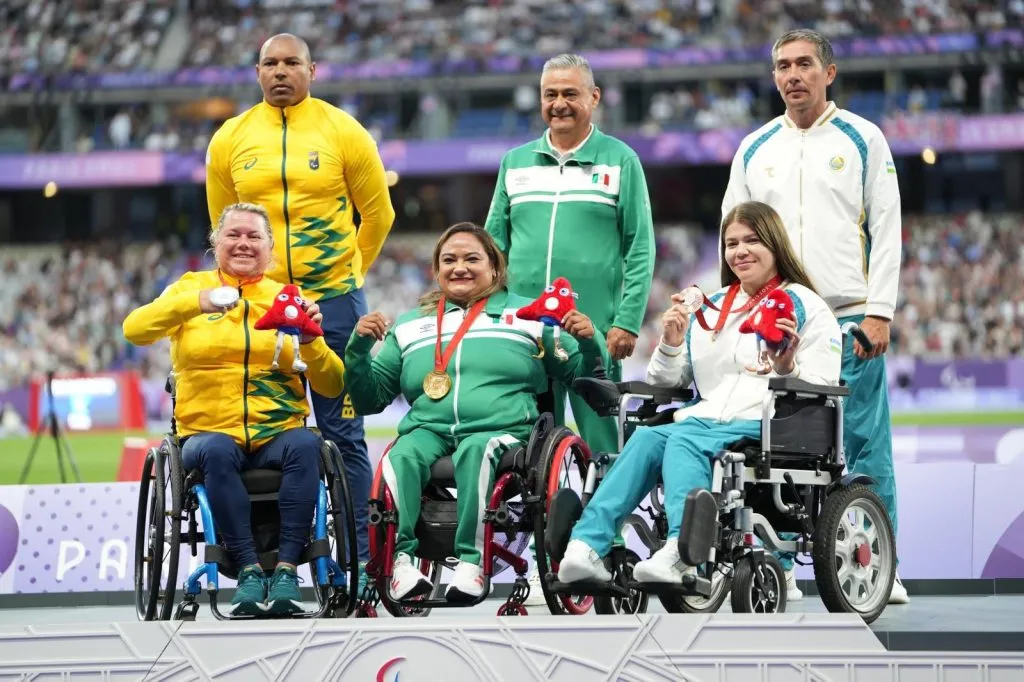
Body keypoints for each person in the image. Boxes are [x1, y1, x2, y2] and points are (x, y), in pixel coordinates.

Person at [558, 201, 842, 587]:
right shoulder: (715, 306)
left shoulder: (808, 305)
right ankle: (584, 547)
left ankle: (680, 552)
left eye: (752, 241)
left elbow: (823, 385)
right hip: (708, 418)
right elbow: (666, 381)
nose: (739, 251)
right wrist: (672, 343)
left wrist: (786, 366)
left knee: (684, 442)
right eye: (731, 243)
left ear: (775, 245)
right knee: (645, 439)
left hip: (771, 422)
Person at [720, 29, 907, 604]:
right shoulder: (754, 147)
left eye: (804, 64)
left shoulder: (862, 137)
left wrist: (880, 311)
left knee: (865, 443)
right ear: (773, 76)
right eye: (782, 65)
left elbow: (888, 225)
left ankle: (879, 565)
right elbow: (733, 234)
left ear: (829, 72)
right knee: (771, 447)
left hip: (850, 318)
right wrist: (732, 315)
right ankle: (774, 565)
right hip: (775, 319)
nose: (792, 75)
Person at [205, 33, 396, 586]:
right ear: (256, 71)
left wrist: (348, 276)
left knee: (346, 434)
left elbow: (377, 215)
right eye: (270, 63)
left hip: (332, 304)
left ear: (313, 69)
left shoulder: (343, 130)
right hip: (259, 307)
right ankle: (268, 563)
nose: (281, 71)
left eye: (292, 62)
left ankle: (359, 559)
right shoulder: (231, 138)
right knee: (266, 432)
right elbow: (226, 228)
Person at [344, 223, 606, 602]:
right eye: (448, 260)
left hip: (502, 429)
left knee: (475, 450)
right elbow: (371, 399)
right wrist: (356, 352)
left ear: (495, 268)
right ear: (436, 270)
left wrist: (589, 341)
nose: (459, 267)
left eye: (472, 259)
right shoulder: (410, 325)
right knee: (401, 454)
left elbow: (579, 375)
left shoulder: (529, 316)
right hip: (428, 430)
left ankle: (472, 563)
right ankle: (402, 561)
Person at [484, 53, 655, 603]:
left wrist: (625, 320)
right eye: (550, 94)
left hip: (593, 336)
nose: (559, 104)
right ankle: (539, 562)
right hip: (525, 338)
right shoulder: (515, 162)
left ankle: (600, 552)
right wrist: (494, 316)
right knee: (533, 454)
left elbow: (639, 246)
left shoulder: (621, 161)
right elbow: (493, 248)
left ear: (594, 98)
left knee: (603, 451)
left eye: (570, 94)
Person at [123, 203, 344, 616]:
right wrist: (196, 302)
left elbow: (331, 383)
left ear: (270, 247)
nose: (243, 243)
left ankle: (284, 570)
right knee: (217, 451)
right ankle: (246, 568)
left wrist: (312, 340)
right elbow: (134, 329)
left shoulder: (287, 299)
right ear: (216, 242)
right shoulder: (188, 289)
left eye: (253, 236)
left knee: (306, 446)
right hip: (206, 434)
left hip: (276, 433)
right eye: (234, 235)